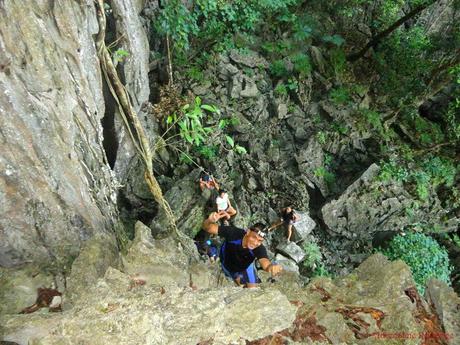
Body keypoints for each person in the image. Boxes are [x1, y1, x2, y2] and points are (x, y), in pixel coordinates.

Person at [202, 212, 282, 288]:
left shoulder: (259, 248)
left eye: (260, 241)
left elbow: (265, 263)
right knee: (237, 280)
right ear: (248, 232)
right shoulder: (234, 233)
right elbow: (207, 228)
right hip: (227, 263)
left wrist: (271, 267)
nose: (255, 242)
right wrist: (209, 221)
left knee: (252, 291)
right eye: (254, 237)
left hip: (245, 267)